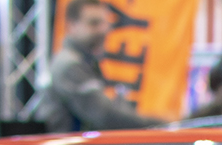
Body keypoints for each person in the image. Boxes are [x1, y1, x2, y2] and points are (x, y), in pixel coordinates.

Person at [39, 0, 163, 131]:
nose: (103, 30)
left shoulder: (84, 62)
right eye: (94, 23)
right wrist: (159, 123)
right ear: (72, 26)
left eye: (106, 23)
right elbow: (104, 115)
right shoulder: (70, 65)